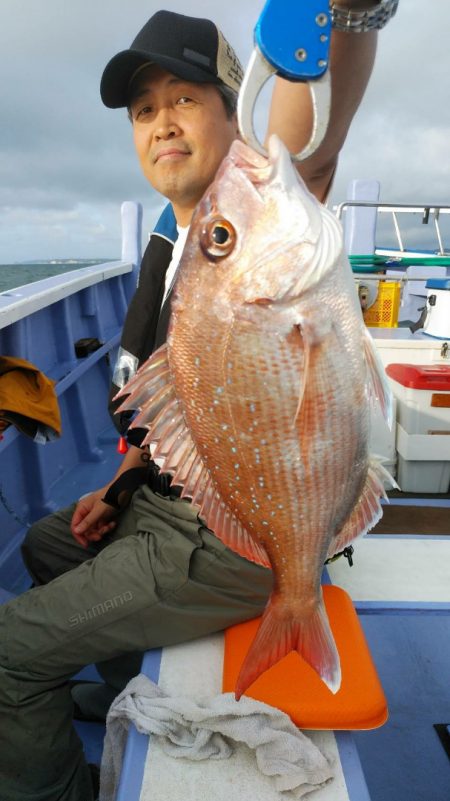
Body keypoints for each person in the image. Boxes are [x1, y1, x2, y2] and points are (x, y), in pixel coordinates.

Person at [0, 4, 398, 800]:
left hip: (230, 539)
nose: (163, 122)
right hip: (178, 500)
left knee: (8, 652)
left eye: (184, 97)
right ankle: (125, 684)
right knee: (47, 544)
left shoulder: (252, 214)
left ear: (232, 107)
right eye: (144, 110)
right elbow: (174, 403)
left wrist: (352, 14)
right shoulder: (176, 237)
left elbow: (311, 146)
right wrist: (121, 484)